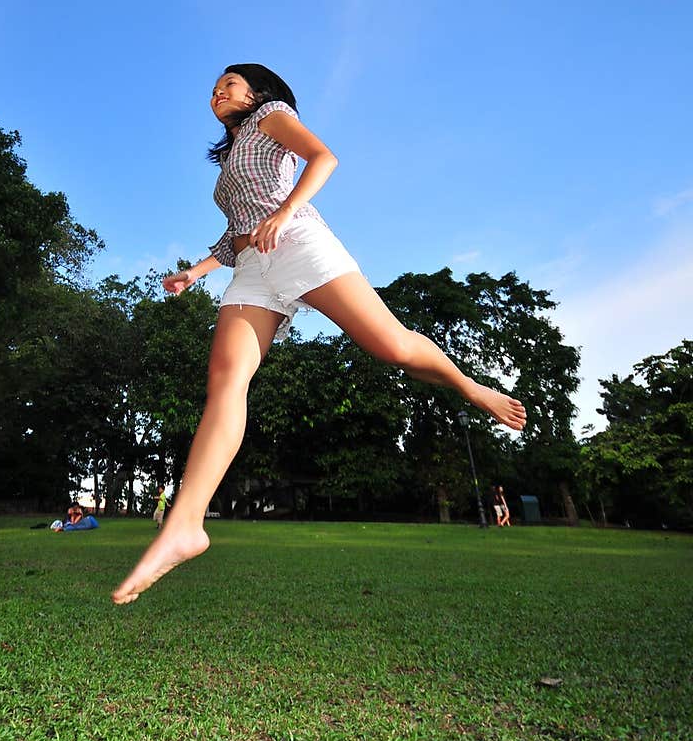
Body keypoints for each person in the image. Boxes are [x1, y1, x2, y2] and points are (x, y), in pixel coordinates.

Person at [112, 63, 527, 605]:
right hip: (254, 266)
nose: (218, 91)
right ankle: (186, 526)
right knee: (226, 381)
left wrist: (285, 213)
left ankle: (471, 388)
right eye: (214, 87)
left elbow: (323, 157)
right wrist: (195, 272)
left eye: (229, 83)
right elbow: (238, 231)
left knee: (393, 346)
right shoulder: (232, 157)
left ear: (256, 92)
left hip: (299, 243)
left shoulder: (270, 116)